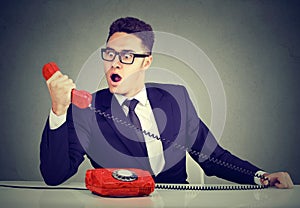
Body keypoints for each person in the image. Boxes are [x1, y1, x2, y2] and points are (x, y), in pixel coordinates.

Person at [40, 17, 293, 188]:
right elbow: (54, 175)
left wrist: (261, 177)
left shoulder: (176, 99)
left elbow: (212, 157)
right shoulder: (86, 109)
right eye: (110, 54)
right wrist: (59, 109)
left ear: (146, 62)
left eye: (127, 55)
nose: (115, 63)